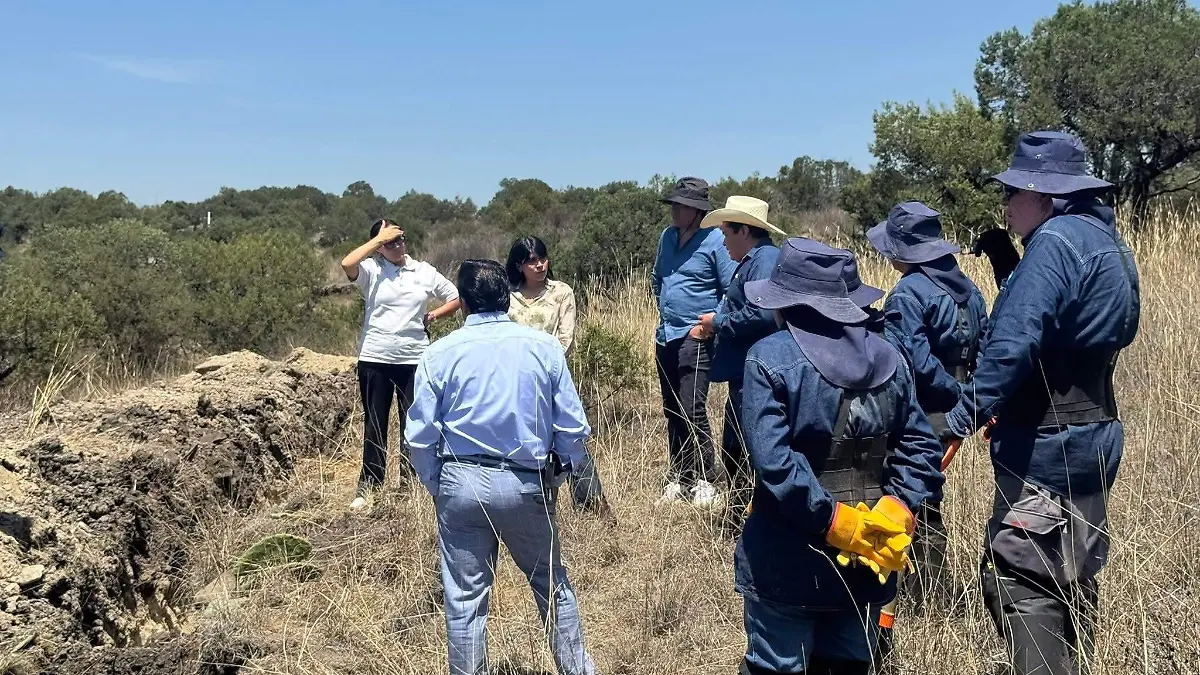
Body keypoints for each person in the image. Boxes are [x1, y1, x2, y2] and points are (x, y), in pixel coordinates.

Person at [941, 131, 1141, 675]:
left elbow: (1013, 345)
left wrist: (959, 421)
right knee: (1070, 568)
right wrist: (1011, 268)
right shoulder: (1108, 241)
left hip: (1046, 443)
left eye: (1013, 193)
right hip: (1096, 431)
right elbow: (1069, 331)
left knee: (1023, 580)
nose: (1005, 205)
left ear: (1045, 195)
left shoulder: (1055, 242)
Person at [735, 238, 945, 675]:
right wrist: (898, 505)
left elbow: (775, 465)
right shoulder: (891, 356)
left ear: (786, 304)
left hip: (786, 557)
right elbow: (923, 445)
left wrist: (832, 522)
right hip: (869, 558)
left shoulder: (768, 359)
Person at [405, 259, 597, 675]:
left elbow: (419, 436)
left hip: (459, 480)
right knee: (552, 587)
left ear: (464, 305)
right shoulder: (542, 347)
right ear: (506, 298)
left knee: (464, 603)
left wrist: (438, 484)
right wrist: (558, 475)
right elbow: (572, 428)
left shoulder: (438, 354)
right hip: (524, 481)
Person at [866, 201, 989, 647]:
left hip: (919, 414)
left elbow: (910, 363)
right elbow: (987, 349)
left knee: (902, 503)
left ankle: (900, 602)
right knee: (929, 506)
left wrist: (951, 395)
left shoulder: (908, 293)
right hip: (956, 413)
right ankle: (932, 598)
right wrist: (970, 396)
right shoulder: (970, 290)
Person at [339, 218, 461, 510]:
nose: (397, 245)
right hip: (375, 357)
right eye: (390, 242)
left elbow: (456, 297)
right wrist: (376, 241)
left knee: (414, 424)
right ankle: (369, 486)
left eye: (400, 239)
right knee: (375, 424)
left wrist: (433, 316)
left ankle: (411, 484)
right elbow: (347, 264)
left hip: (414, 359)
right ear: (379, 247)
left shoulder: (423, 271)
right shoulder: (372, 270)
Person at [505, 236, 614, 523]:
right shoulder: (508, 296)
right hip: (514, 382)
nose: (539, 265)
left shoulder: (561, 292)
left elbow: (565, 338)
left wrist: (543, 366)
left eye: (542, 258)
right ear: (519, 265)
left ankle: (592, 503)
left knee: (570, 437)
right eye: (531, 261)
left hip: (553, 377)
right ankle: (528, 506)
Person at [694, 196, 784, 519]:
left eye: (726, 233)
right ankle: (739, 519)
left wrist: (717, 323)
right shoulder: (754, 260)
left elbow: (764, 314)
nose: (723, 241)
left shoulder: (763, 260)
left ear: (744, 231)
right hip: (745, 373)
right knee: (736, 450)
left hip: (754, 375)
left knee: (747, 450)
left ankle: (748, 521)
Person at [651, 177, 737, 507]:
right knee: (672, 408)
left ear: (696, 209)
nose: (673, 210)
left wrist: (707, 326)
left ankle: (705, 477)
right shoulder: (667, 237)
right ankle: (681, 475)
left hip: (695, 334)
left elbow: (731, 288)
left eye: (680, 205)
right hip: (665, 334)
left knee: (691, 407)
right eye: (673, 204)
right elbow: (659, 278)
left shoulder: (715, 239)